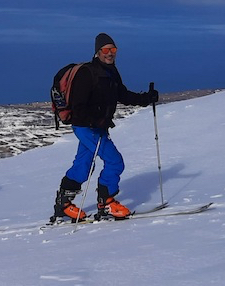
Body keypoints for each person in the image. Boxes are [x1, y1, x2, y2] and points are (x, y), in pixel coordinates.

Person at [51, 33, 158, 222]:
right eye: (106, 50)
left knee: (83, 165)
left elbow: (122, 95)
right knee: (115, 162)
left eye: (113, 50)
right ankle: (107, 203)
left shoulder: (111, 72)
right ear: (97, 52)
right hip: (86, 127)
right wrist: (93, 121)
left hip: (95, 127)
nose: (110, 54)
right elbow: (78, 105)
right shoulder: (87, 73)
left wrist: (146, 98)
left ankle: (63, 204)